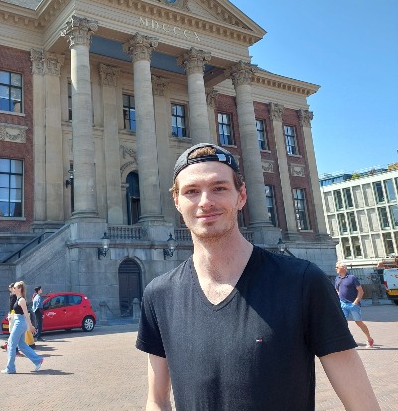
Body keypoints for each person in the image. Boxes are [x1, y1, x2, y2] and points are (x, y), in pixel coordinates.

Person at [136, 143, 379, 410]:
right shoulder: (158, 295)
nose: (205, 201)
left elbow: (361, 404)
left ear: (241, 196)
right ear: (177, 202)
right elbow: (157, 399)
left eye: (219, 188)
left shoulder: (302, 282)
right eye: (192, 191)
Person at [1, 281, 44, 374]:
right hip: (18, 322)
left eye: (15, 288)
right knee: (21, 345)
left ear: (19, 289)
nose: (13, 289)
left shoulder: (21, 300)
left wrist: (31, 326)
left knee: (11, 344)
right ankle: (37, 360)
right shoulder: (17, 299)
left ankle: (10, 368)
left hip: (20, 323)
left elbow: (26, 314)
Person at [335, 261, 375, 348]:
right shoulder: (337, 278)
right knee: (342, 322)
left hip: (353, 304)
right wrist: (339, 300)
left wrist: (356, 302)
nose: (336, 269)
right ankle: (345, 340)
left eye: (337, 267)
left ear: (344, 268)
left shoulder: (352, 278)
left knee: (359, 322)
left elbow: (360, 291)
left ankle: (369, 339)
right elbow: (337, 290)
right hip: (342, 304)